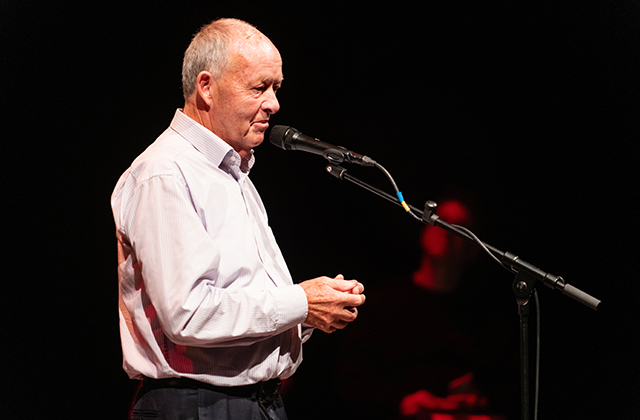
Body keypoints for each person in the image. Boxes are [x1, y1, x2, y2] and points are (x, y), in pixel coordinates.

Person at [111, 18, 365, 420]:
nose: (274, 104)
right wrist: (300, 301)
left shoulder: (233, 171)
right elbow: (188, 315)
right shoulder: (165, 172)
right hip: (196, 406)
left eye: (276, 88)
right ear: (206, 87)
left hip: (256, 404)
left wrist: (313, 311)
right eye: (259, 87)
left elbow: (242, 302)